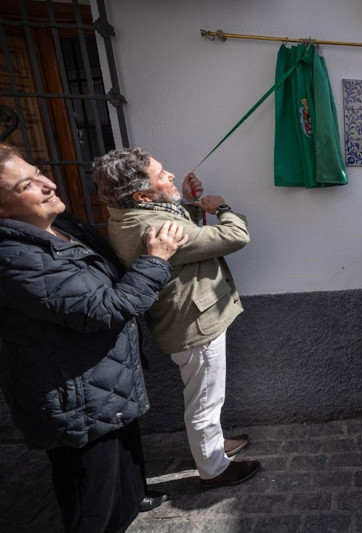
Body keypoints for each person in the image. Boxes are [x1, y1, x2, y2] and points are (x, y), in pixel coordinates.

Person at [0, 143, 187, 532]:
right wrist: (156, 260)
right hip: (74, 393)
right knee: (93, 499)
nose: (49, 184)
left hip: (105, 376)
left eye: (39, 173)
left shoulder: (65, 226)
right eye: (26, 187)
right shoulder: (14, 257)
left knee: (125, 460)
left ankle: (133, 500)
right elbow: (104, 309)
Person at [92, 148, 261, 490]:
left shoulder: (130, 213)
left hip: (186, 319)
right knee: (204, 400)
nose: (169, 174)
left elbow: (177, 233)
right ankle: (214, 469)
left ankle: (212, 448)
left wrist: (185, 200)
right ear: (142, 194)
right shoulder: (153, 228)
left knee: (205, 396)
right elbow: (234, 237)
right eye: (161, 174)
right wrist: (221, 209)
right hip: (194, 325)